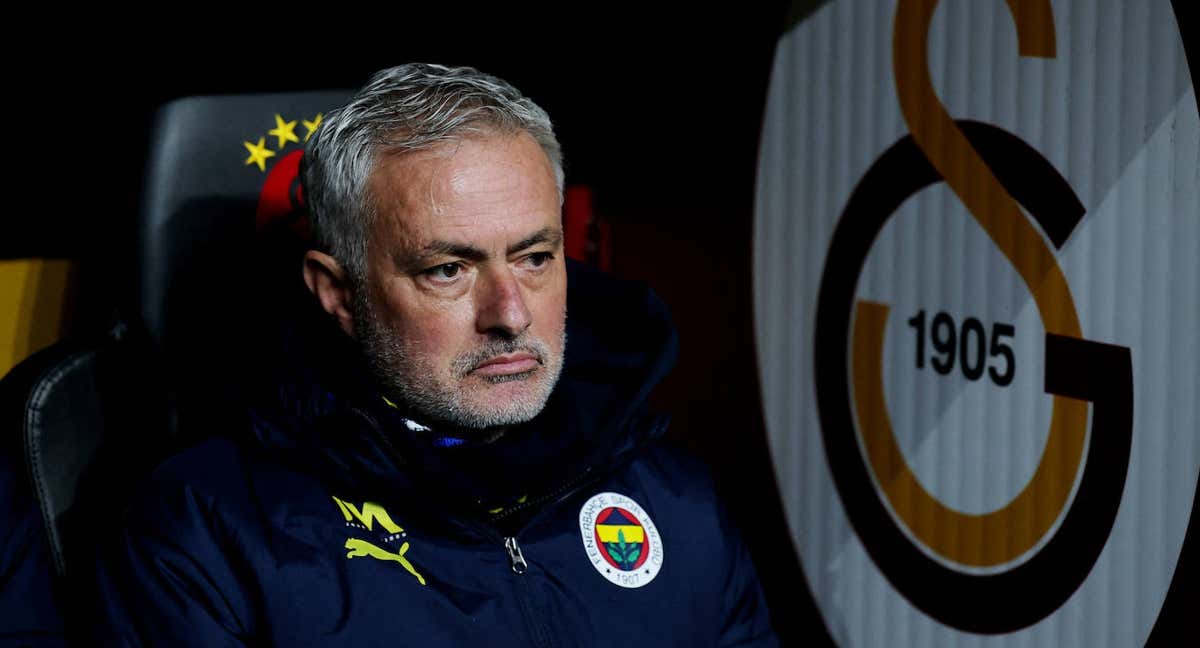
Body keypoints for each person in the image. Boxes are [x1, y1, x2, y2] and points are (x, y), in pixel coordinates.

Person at [93, 63, 778, 646]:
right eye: (448, 270)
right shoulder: (210, 530)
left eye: (536, 257)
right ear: (338, 293)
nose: (510, 314)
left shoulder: (676, 497)